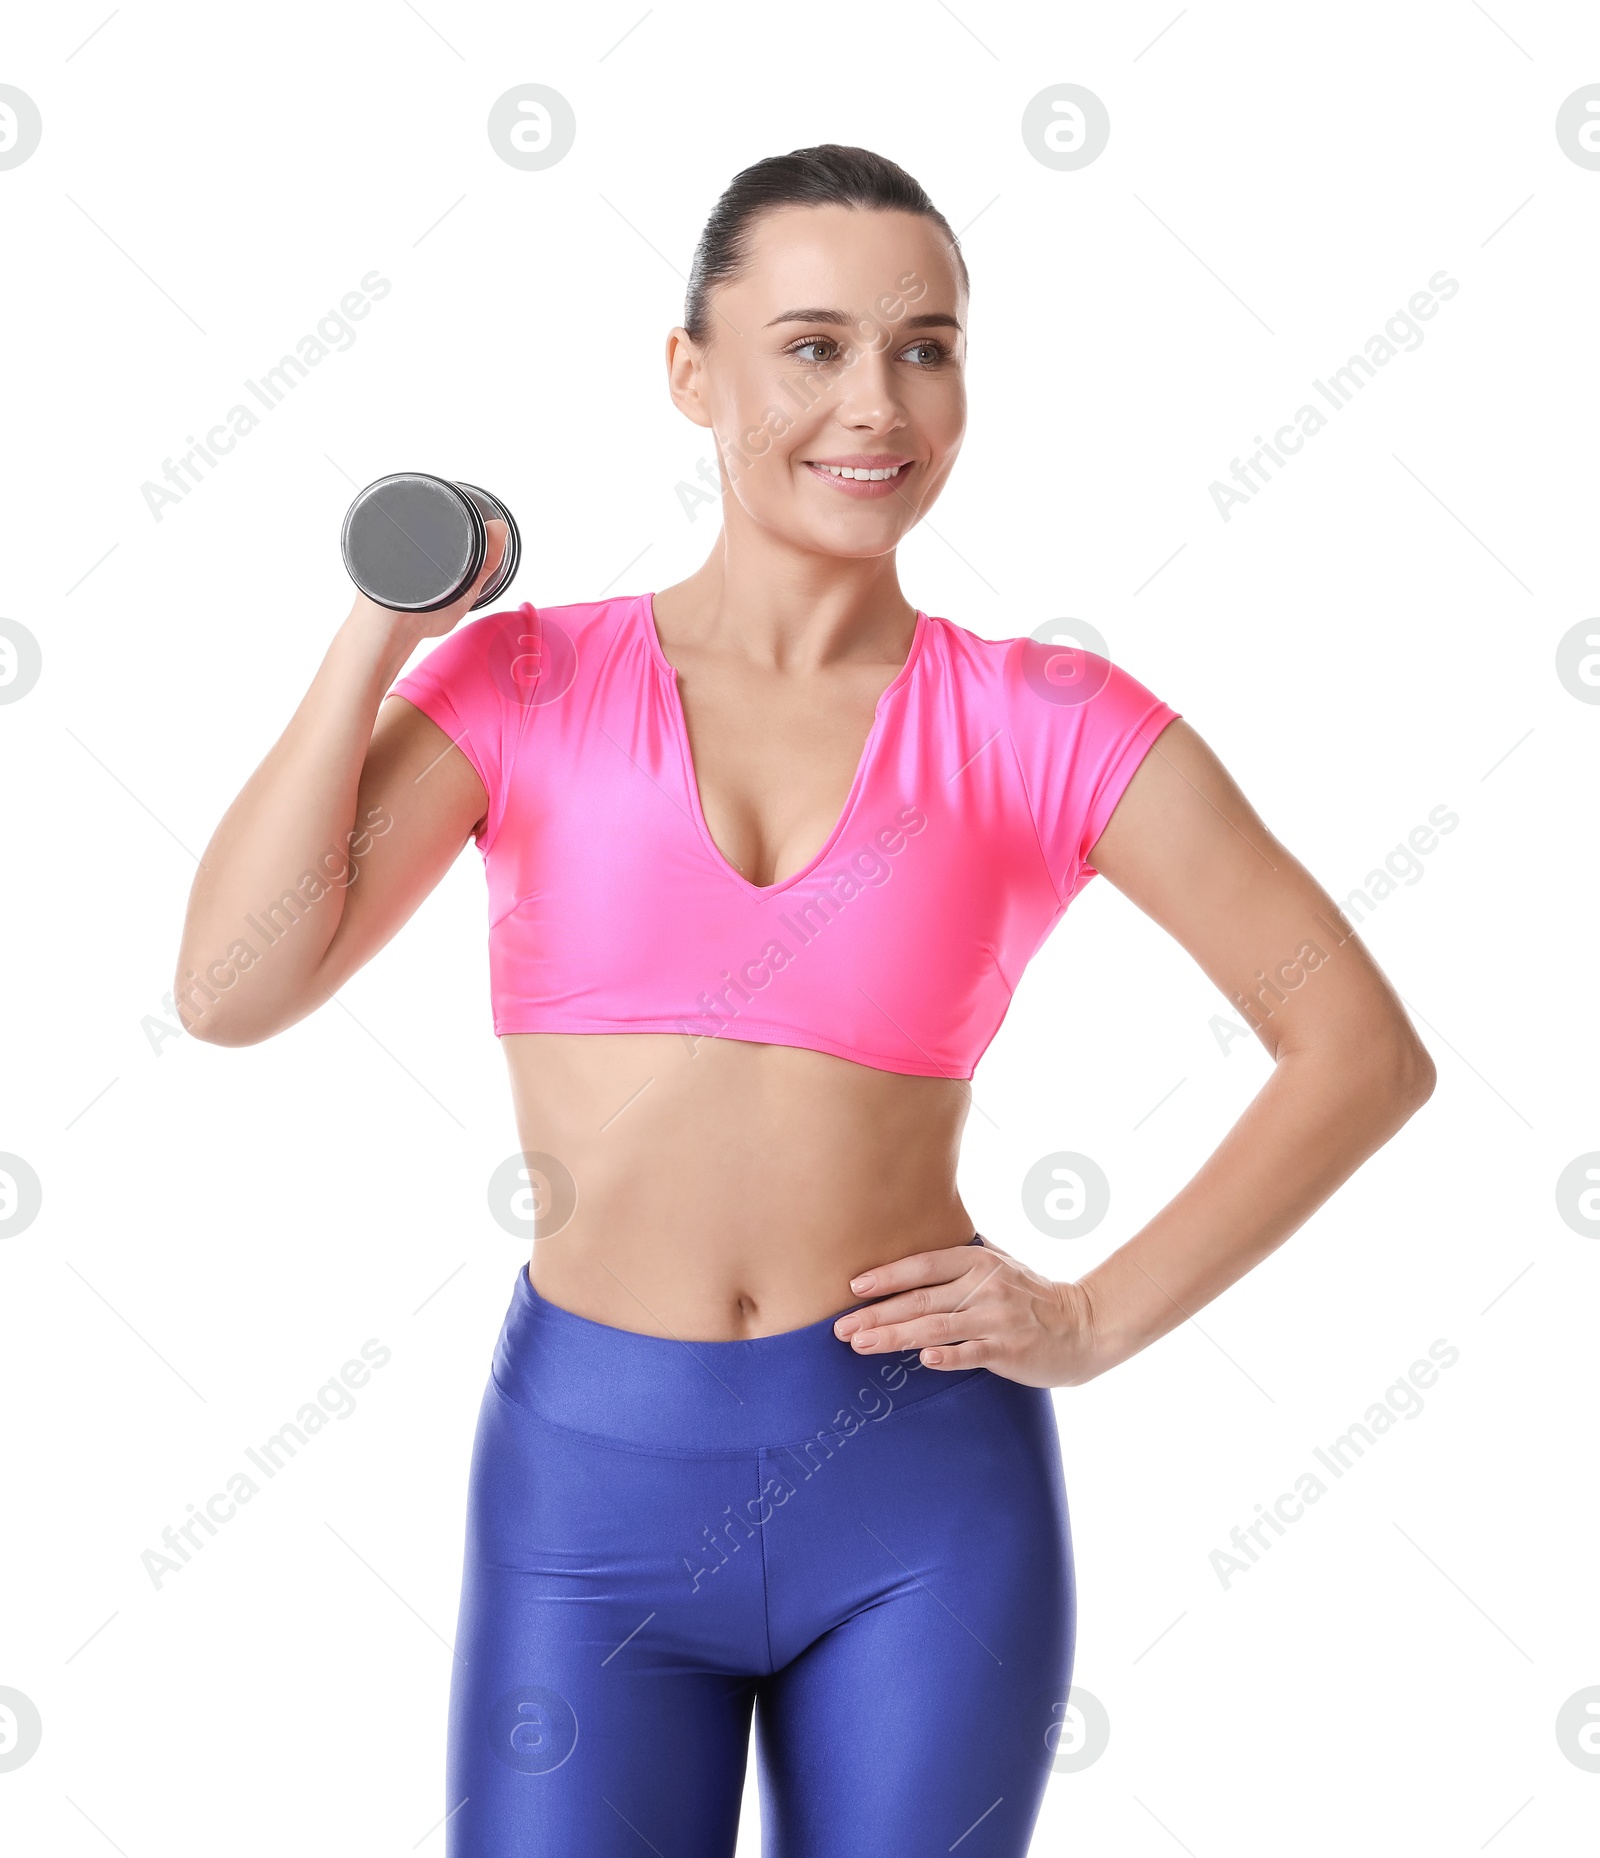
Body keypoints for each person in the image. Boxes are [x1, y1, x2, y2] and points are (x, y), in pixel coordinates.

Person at [173, 143, 1435, 1857]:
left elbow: (1358, 1048)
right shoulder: (523, 680)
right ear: (692, 372)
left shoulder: (1047, 716)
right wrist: (378, 635)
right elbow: (233, 989)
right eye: (814, 344)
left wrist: (1096, 1317)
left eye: (927, 345)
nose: (876, 401)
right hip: (588, 1493)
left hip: (921, 1499)